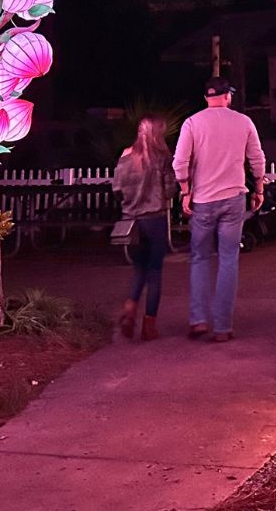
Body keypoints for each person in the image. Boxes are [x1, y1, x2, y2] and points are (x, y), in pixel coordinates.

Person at [173, 76, 266, 342]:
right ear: (227, 96)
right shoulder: (243, 122)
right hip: (233, 198)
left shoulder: (192, 123)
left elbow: (180, 162)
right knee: (228, 259)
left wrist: (185, 191)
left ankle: (198, 319)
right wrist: (259, 189)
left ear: (206, 98)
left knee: (200, 258)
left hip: (203, 199)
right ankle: (223, 326)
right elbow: (256, 158)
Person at [112, 116, 174, 341]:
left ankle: (130, 309)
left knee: (139, 268)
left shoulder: (125, 155)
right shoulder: (162, 158)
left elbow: (116, 188)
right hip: (154, 219)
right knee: (155, 271)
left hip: (131, 220)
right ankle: (149, 325)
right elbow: (169, 191)